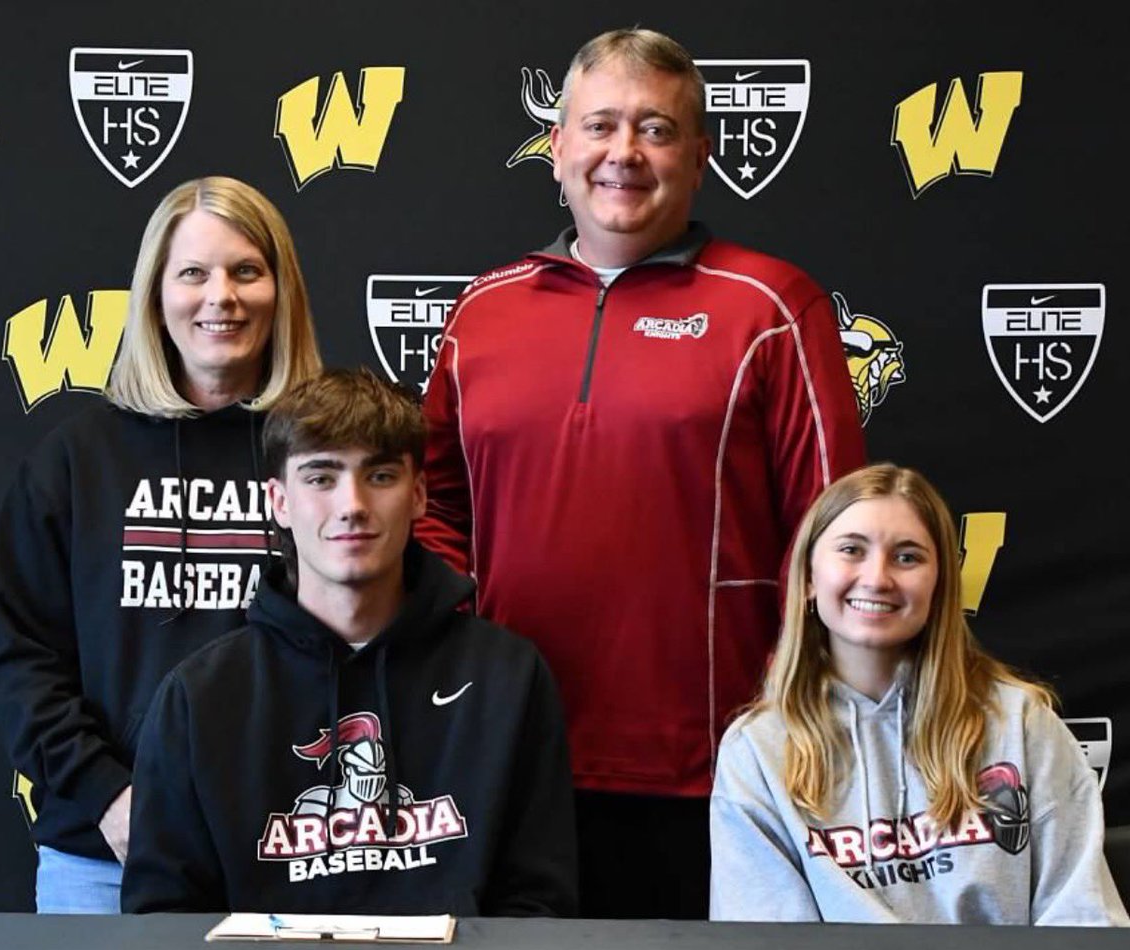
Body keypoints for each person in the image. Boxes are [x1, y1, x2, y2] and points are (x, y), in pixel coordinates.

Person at [418, 28, 865, 919]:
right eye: (601, 126)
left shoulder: (773, 307)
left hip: (715, 770)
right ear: (557, 150)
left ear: (700, 158)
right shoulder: (484, 309)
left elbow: (836, 537)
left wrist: (792, 717)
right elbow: (431, 511)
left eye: (657, 130)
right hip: (510, 758)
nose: (625, 153)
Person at [0, 176, 323, 914]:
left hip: (291, 852)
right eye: (192, 273)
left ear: (281, 288)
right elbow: (23, 659)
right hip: (106, 854)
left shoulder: (327, 454)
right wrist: (109, 797)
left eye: (246, 271)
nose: (220, 297)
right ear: (155, 293)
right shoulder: (76, 462)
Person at [121, 369, 577, 915]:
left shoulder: (507, 678)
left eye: (380, 476)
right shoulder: (200, 697)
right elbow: (163, 917)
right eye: (320, 478)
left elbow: (540, 903)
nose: (352, 505)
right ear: (279, 502)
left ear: (419, 495)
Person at [709, 463, 1129, 925]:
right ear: (809, 577)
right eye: (851, 550)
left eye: (907, 557)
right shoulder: (757, 753)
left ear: (940, 584)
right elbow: (766, 936)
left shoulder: (1021, 724)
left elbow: (1083, 917)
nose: (877, 578)